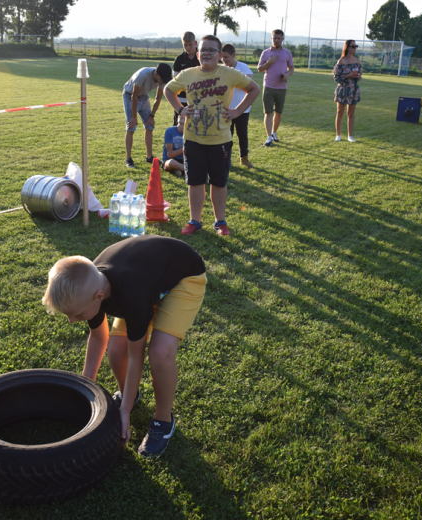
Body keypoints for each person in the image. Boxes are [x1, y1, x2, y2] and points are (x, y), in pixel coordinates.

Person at [42, 236, 207, 458]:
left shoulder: (129, 294)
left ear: (99, 297)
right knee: (116, 350)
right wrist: (86, 385)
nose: (72, 320)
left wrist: (125, 412)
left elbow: (136, 356)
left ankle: (163, 421)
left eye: (77, 315)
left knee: (160, 352)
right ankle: (131, 394)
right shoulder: (90, 288)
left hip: (183, 276)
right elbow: (99, 338)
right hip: (149, 278)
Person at [164, 34, 260, 236]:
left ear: (220, 55)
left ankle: (220, 222)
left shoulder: (229, 74)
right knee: (195, 181)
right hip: (193, 139)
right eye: (203, 49)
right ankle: (194, 221)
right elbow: (168, 89)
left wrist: (237, 111)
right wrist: (181, 110)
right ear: (198, 54)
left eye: (211, 50)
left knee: (219, 182)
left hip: (221, 140)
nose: (207, 53)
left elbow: (254, 88)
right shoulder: (188, 74)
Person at [123, 63, 173, 168]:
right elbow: (134, 96)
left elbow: (158, 98)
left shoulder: (162, 79)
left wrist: (151, 116)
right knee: (131, 127)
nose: (163, 82)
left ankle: (149, 157)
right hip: (129, 96)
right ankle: (128, 158)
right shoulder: (143, 75)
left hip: (143, 96)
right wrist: (134, 117)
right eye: (162, 79)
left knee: (149, 126)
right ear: (156, 73)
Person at [257, 29, 294, 147]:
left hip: (282, 87)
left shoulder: (287, 53)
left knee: (278, 112)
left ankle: (274, 132)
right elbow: (260, 69)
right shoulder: (266, 53)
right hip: (268, 87)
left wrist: (287, 74)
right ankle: (268, 137)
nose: (276, 40)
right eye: (274, 38)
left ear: (283, 39)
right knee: (268, 113)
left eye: (278, 38)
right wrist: (269, 62)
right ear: (271, 38)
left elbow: (292, 67)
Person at [221, 44, 255, 169]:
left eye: (226, 57)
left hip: (242, 109)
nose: (224, 60)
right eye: (222, 57)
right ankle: (226, 159)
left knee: (242, 134)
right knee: (226, 135)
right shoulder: (221, 69)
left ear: (233, 55)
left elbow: (247, 84)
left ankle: (244, 158)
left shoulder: (243, 68)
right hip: (226, 109)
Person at [333, 40, 362, 143]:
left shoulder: (357, 61)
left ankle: (350, 136)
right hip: (343, 89)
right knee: (340, 112)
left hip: (354, 89)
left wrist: (357, 76)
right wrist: (348, 75)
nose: (355, 48)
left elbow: (360, 77)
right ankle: (338, 135)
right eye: (353, 46)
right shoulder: (341, 61)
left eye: (356, 46)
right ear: (347, 48)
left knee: (351, 113)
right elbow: (336, 78)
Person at [172, 32, 200, 126]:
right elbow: (175, 80)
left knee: (196, 125)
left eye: (190, 45)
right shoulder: (179, 59)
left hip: (198, 100)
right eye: (185, 45)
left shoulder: (202, 58)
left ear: (195, 43)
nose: (188, 47)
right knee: (179, 126)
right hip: (181, 100)